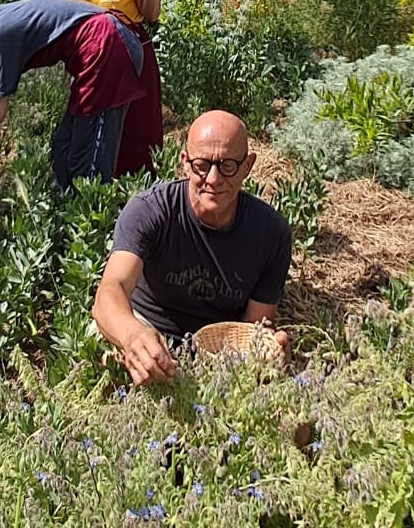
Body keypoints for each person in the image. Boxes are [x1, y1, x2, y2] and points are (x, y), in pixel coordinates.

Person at [93, 110, 292, 385]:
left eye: (228, 166)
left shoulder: (271, 233)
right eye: (202, 165)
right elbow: (110, 291)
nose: (213, 179)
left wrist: (264, 352)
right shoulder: (151, 211)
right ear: (185, 163)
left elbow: (254, 324)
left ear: (248, 166)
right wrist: (131, 335)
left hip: (219, 349)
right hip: (148, 330)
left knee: (289, 409)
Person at [0, 0, 144, 188]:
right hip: (103, 49)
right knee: (62, 151)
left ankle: (97, 232)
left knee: (89, 164)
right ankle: (67, 222)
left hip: (105, 48)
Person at [21, 0, 164, 173]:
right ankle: (96, 193)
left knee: (138, 129)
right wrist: (39, 1)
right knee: (95, 131)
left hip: (133, 56)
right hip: (91, 65)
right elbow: (57, 29)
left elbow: (151, 15)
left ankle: (142, 195)